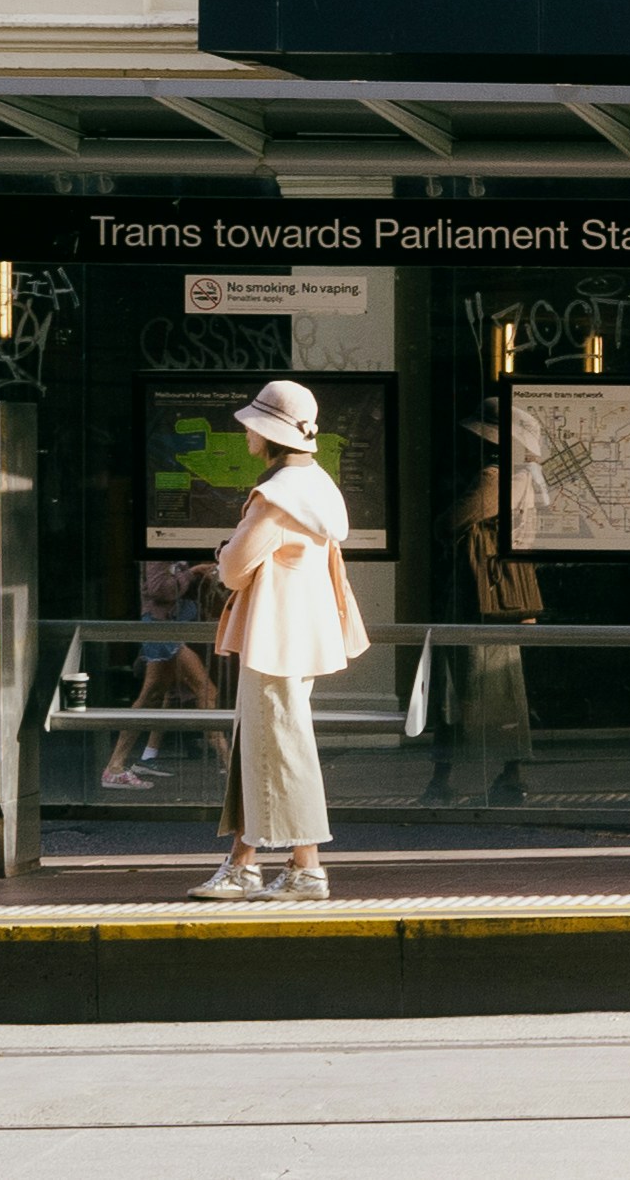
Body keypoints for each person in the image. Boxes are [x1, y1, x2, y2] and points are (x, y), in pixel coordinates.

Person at [190, 380, 372, 901]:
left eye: (252, 424)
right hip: (302, 634)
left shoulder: (274, 498)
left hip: (274, 634)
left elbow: (233, 568)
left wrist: (224, 547)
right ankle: (242, 864)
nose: (245, 430)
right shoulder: (317, 487)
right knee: (264, 743)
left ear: (270, 433)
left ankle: (306, 868)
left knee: (284, 747)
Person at [430, 415, 541, 807]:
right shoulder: (523, 479)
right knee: (497, 686)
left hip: (480, 599)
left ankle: (455, 777)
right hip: (498, 598)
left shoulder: (496, 479)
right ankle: (505, 774)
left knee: (468, 686)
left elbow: (452, 521)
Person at [99, 560, 226, 791]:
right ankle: (231, 767)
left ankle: (115, 767)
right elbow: (160, 589)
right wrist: (192, 573)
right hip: (161, 627)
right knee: (205, 690)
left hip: (165, 626)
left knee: (152, 696)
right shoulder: (158, 553)